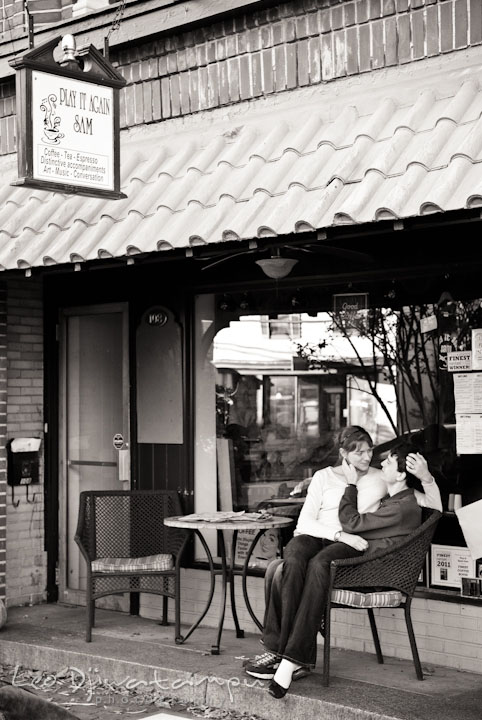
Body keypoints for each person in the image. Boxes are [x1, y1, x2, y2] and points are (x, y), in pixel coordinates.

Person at [243, 426, 441, 699]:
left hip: (349, 547)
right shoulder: (323, 477)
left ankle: (284, 656)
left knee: (304, 568)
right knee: (293, 553)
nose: (367, 457)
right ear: (343, 454)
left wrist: (426, 477)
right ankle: (287, 654)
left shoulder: (384, 478)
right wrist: (336, 532)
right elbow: (304, 522)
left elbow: (431, 508)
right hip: (320, 536)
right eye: (358, 452)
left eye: (370, 450)